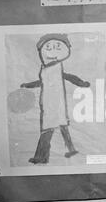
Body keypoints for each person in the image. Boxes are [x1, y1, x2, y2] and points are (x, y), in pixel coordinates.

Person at [21, 33, 90, 164]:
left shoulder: (56, 67)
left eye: (58, 47)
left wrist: (82, 83)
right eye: (49, 47)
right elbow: (42, 82)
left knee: (48, 129)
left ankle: (42, 157)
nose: (53, 50)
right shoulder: (45, 69)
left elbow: (68, 77)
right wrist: (28, 85)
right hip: (48, 103)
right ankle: (70, 149)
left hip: (55, 103)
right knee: (60, 126)